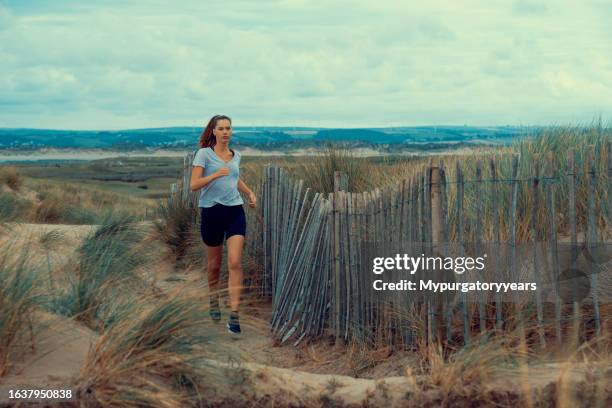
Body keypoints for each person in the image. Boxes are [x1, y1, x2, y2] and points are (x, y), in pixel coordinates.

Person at [190, 114, 257, 335]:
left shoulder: (236, 155)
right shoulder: (204, 154)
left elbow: (234, 178)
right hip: (211, 212)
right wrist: (215, 174)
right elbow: (194, 184)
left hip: (235, 211)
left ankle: (235, 315)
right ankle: (213, 300)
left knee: (235, 262)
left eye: (229, 128)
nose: (226, 132)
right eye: (222, 128)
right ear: (214, 131)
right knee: (214, 267)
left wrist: (249, 193)